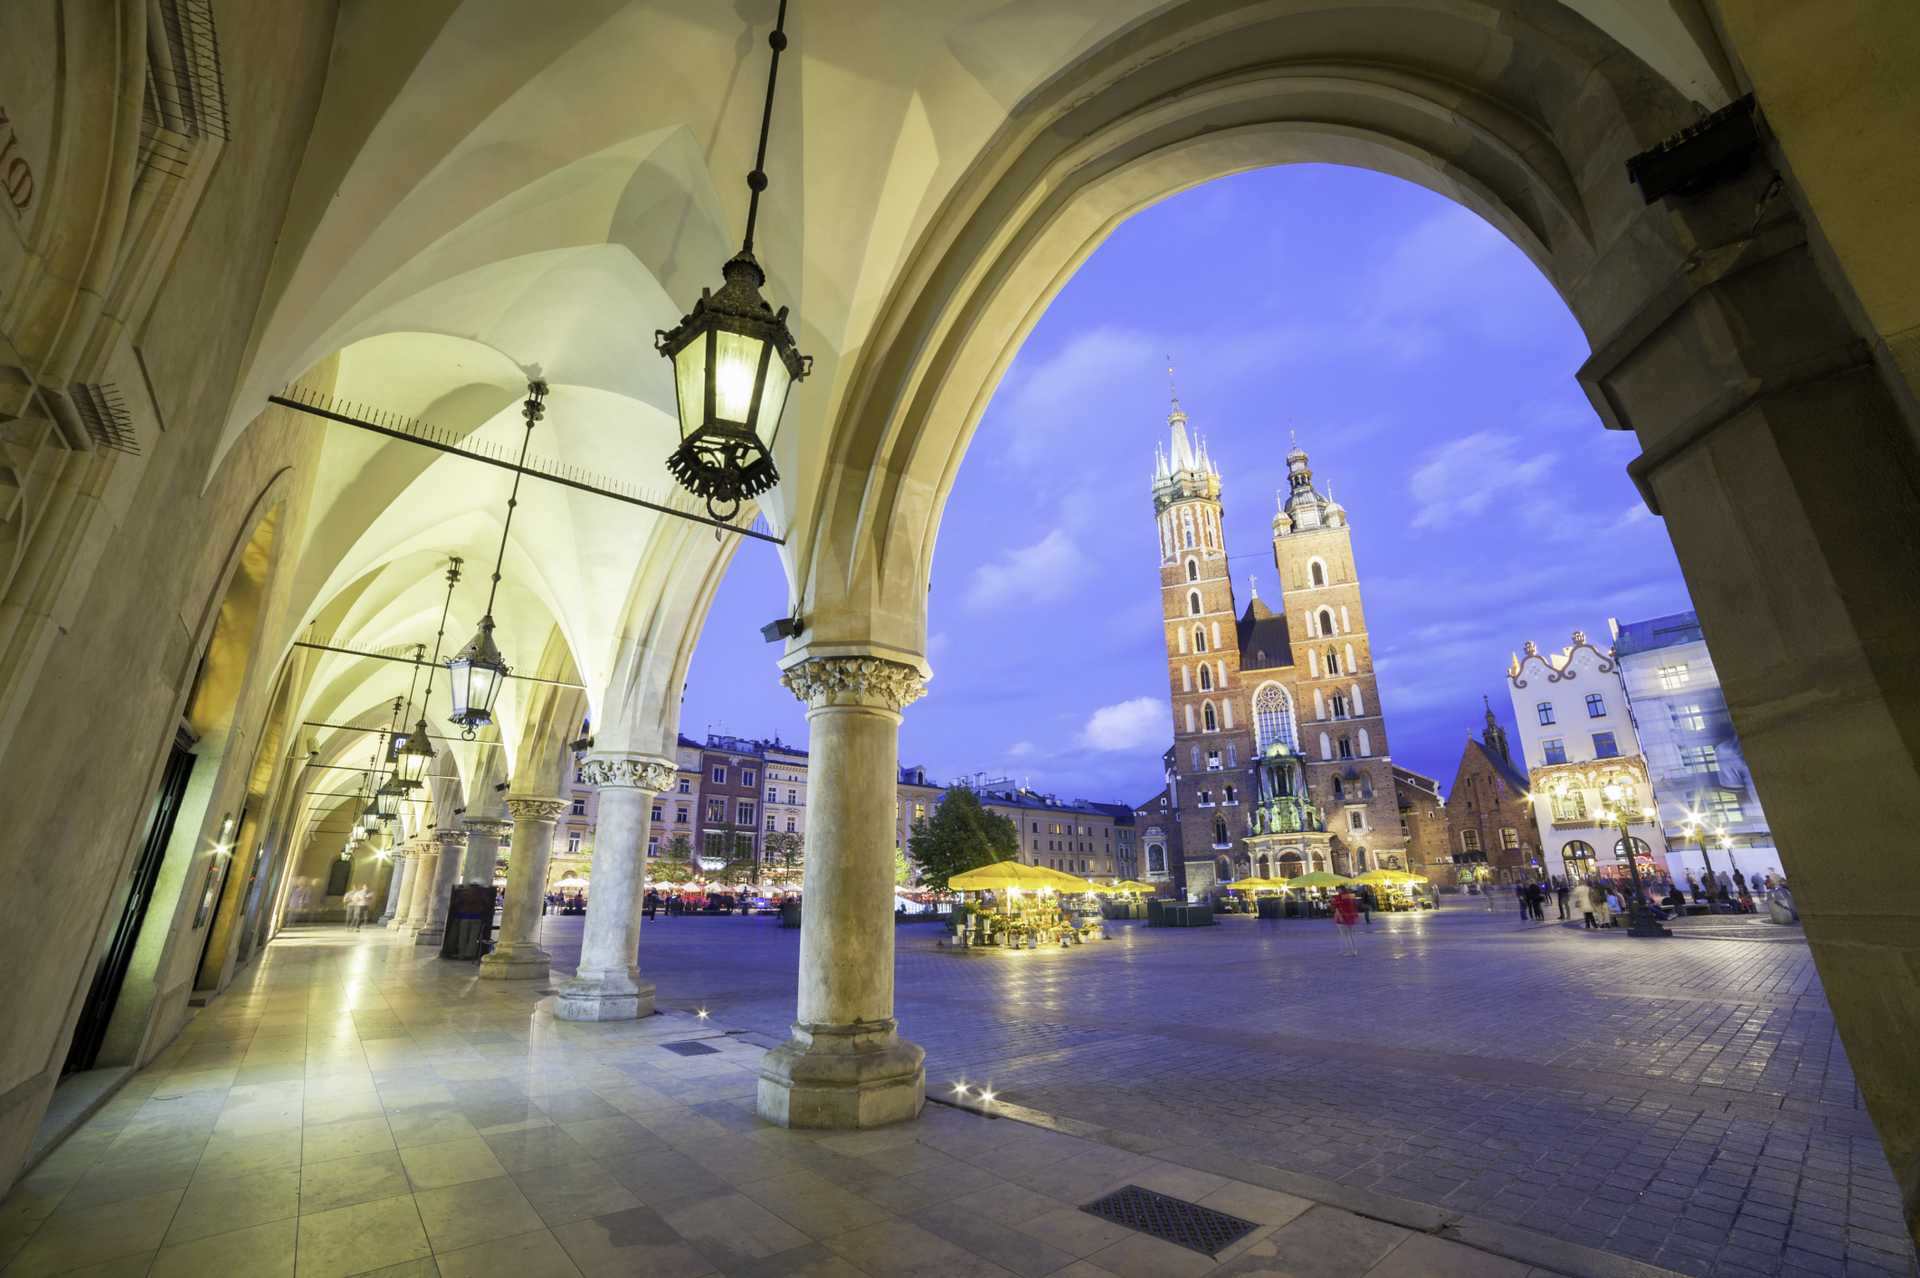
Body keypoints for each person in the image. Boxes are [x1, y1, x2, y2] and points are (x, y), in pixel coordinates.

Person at [1331, 886, 1361, 956]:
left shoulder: (1338, 897)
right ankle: (1353, 950)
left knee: (1344, 935)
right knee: (1349, 935)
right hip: (1350, 916)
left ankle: (1348, 951)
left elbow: (1337, 908)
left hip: (1342, 917)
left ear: (1340, 889)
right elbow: (1354, 906)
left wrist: (1333, 901)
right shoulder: (1350, 896)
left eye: (1338, 889)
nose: (1337, 891)